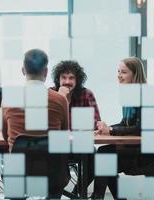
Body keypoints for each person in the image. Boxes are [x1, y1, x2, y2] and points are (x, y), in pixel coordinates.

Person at [2, 49, 70, 199]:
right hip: (53, 172)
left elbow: (5, 135)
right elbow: (64, 134)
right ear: (46, 72)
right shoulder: (60, 100)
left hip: (18, 172)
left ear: (23, 70)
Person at [92, 57, 154, 199]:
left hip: (150, 152)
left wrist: (111, 130)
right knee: (104, 154)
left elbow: (140, 127)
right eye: (118, 71)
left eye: (123, 72)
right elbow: (125, 124)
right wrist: (106, 128)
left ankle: (98, 197)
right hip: (137, 147)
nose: (119, 75)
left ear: (135, 74)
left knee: (104, 155)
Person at [51, 60, 101, 195]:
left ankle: (76, 193)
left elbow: (95, 123)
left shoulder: (86, 94)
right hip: (54, 147)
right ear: (58, 79)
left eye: (71, 77)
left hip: (79, 146)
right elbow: (46, 125)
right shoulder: (50, 94)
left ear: (78, 80)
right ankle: (56, 194)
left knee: (96, 157)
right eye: (64, 77)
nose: (67, 81)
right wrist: (63, 100)